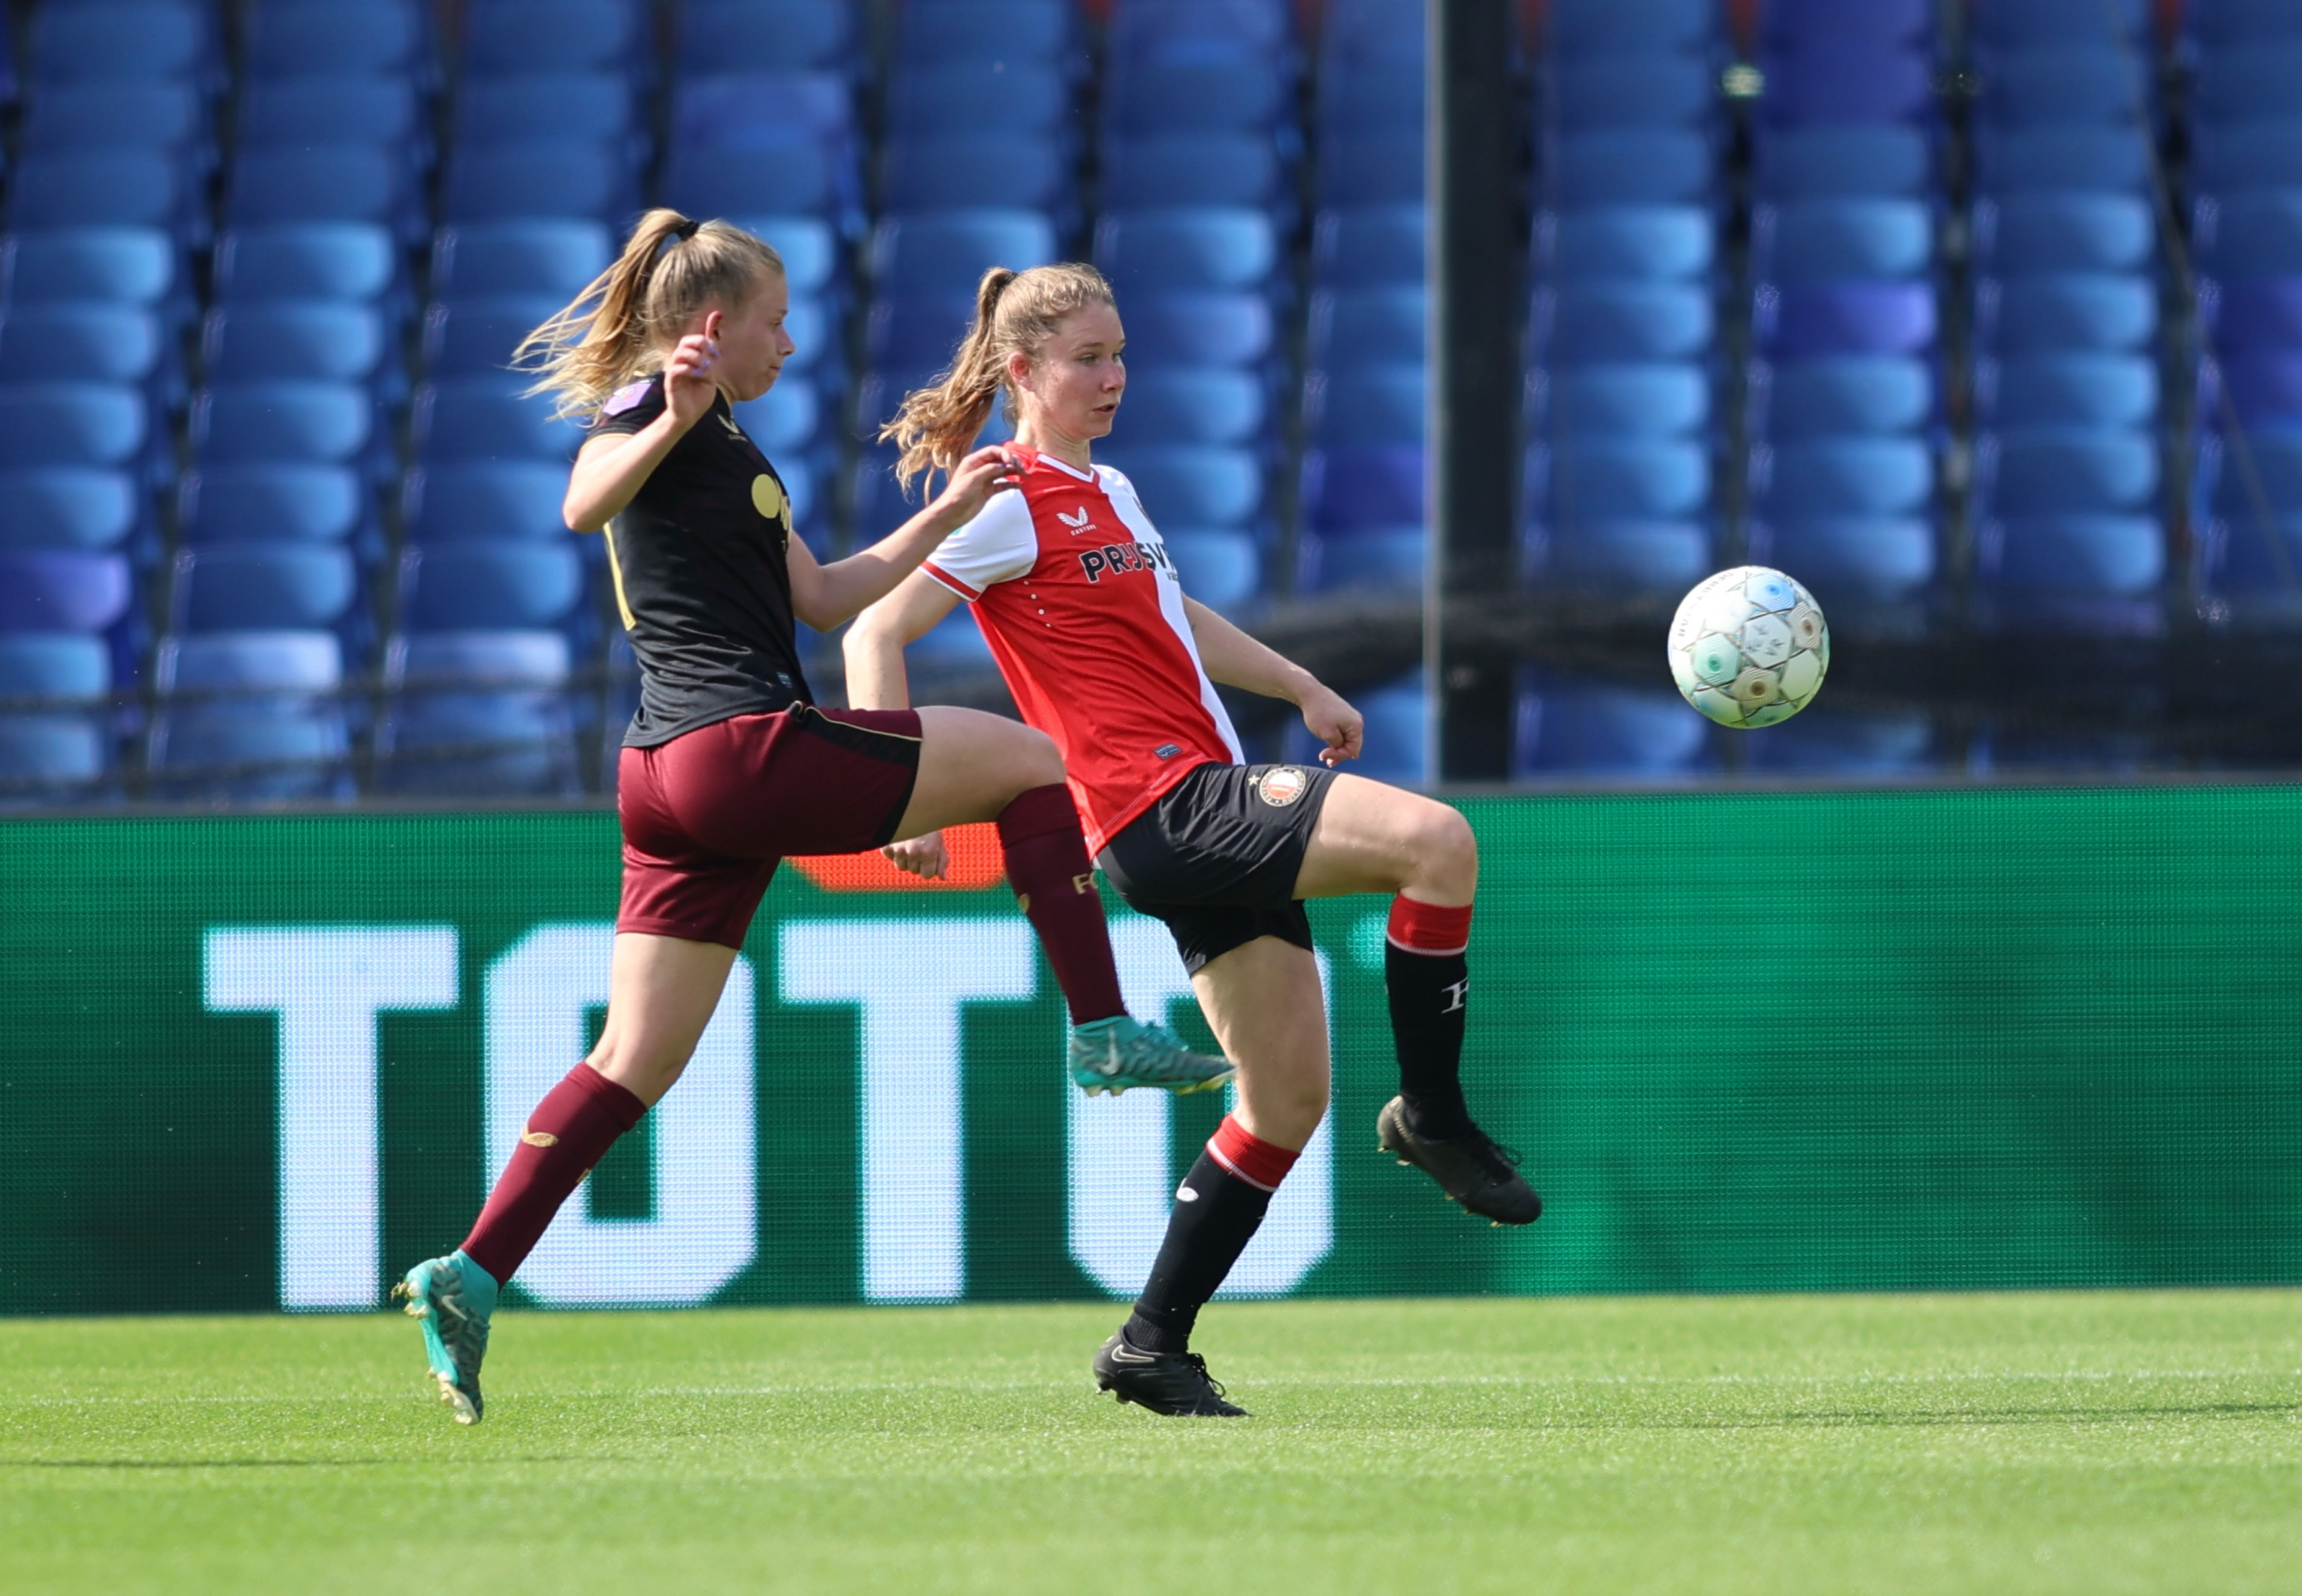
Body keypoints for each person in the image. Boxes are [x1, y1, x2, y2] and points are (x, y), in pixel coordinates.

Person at [396, 215, 1233, 1426]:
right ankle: (1103, 1028)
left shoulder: (733, 445)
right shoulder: (656, 408)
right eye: (778, 320)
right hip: (739, 752)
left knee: (635, 1059)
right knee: (1030, 760)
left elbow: (832, 596)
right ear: (714, 328)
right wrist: (672, 408)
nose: (792, 342)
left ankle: (470, 1272)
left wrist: (947, 516)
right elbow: (584, 506)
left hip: (667, 782)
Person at [845, 264, 1541, 1420]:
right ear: (1021, 371)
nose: (1112, 377)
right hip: (1161, 803)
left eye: (1119, 353)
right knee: (1439, 843)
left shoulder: (1105, 486)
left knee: (1283, 1101)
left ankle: (1149, 1345)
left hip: (1191, 809)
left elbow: (1177, 615)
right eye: (1085, 358)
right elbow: (876, 625)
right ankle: (1432, 1116)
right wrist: (897, 792)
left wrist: (1301, 682)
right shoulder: (1009, 497)